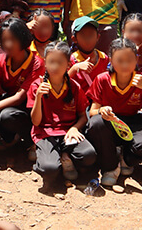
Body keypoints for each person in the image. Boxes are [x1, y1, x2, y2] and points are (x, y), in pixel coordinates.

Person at [87, 38, 142, 187]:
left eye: (129, 60)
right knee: (96, 123)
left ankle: (125, 159)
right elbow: (93, 112)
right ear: (111, 61)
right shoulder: (103, 79)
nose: (125, 65)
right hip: (111, 122)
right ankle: (111, 167)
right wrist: (102, 110)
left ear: (136, 60)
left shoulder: (141, 80)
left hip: (133, 122)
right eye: (119, 60)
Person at [0, 17, 45, 165]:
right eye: (4, 40)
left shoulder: (36, 63)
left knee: (7, 116)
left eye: (12, 39)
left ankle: (28, 141)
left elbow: (20, 97)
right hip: (8, 102)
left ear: (23, 38)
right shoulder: (2, 60)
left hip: (27, 109)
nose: (7, 44)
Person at [28, 41, 95, 184]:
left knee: (89, 155)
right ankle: (47, 155)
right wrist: (39, 96)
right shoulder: (37, 86)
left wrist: (74, 128)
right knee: (49, 169)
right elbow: (35, 122)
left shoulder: (74, 87)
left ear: (68, 65)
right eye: (51, 62)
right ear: (45, 63)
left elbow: (83, 116)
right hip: (45, 133)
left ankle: (64, 155)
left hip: (67, 133)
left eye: (60, 62)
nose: (55, 67)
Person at [67, 16, 108, 94]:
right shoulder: (70, 60)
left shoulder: (104, 58)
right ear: (74, 39)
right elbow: (60, 83)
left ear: (97, 37)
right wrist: (75, 68)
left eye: (91, 35)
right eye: (83, 35)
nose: (87, 39)